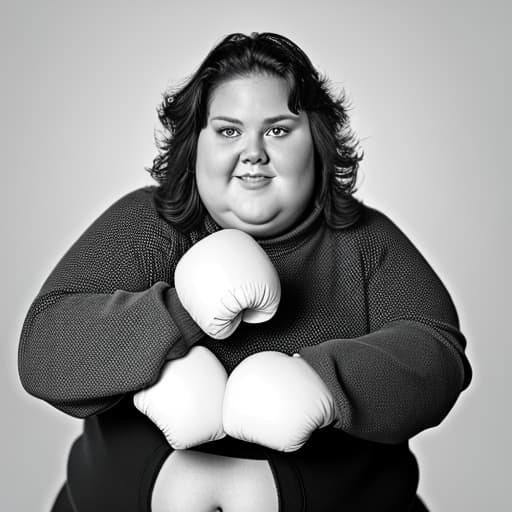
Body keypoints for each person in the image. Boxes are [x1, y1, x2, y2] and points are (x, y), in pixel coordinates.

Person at [18, 32, 472, 512]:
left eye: (277, 129)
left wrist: (325, 384)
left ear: (316, 141)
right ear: (197, 144)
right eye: (229, 130)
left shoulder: (364, 240)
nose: (253, 152)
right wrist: (177, 313)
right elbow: (42, 350)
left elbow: (437, 356)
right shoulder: (148, 226)